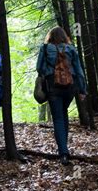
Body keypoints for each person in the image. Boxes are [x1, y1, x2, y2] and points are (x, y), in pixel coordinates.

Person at [36, 26, 87, 165]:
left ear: (50, 36)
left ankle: (63, 153)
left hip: (53, 86)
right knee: (63, 114)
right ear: (64, 36)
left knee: (58, 118)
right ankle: (65, 149)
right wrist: (82, 90)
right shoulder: (71, 49)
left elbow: (39, 67)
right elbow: (79, 70)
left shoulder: (45, 48)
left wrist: (47, 72)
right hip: (70, 87)